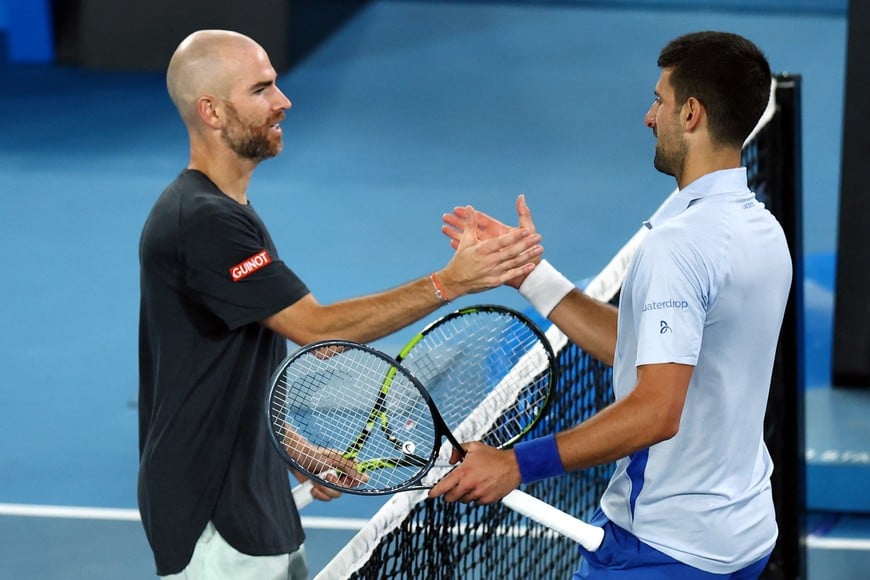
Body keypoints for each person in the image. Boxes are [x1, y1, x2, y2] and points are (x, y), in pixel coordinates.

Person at [138, 29, 543, 579]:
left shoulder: (227, 212)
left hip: (254, 501)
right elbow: (318, 331)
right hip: (214, 514)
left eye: (276, 85)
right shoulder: (205, 222)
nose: (284, 101)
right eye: (261, 90)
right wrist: (451, 283)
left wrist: (298, 449)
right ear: (211, 111)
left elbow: (229, 370)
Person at [430, 31, 791, 579]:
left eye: (659, 100)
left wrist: (514, 463)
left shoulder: (680, 244)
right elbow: (647, 348)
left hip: (665, 549)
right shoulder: (761, 229)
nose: (650, 117)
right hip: (741, 535)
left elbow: (656, 410)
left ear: (690, 114)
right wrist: (530, 275)